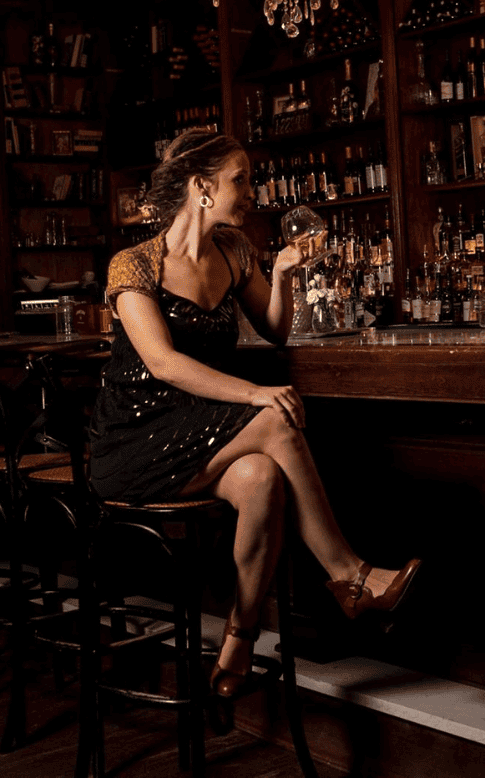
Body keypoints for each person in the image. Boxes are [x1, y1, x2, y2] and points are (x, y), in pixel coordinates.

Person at [91, 128, 421, 698]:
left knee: (263, 478)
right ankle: (349, 574)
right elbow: (164, 365)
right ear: (201, 187)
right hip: (136, 440)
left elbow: (274, 331)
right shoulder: (133, 266)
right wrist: (253, 394)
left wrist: (286, 275)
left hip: (202, 432)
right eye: (240, 180)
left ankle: (239, 641)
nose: (252, 193)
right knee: (273, 415)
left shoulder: (234, 253)